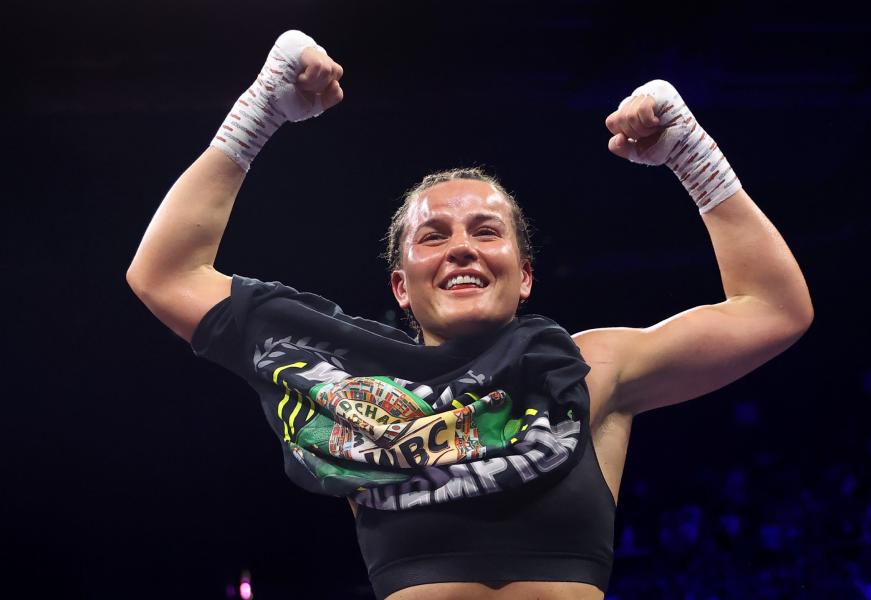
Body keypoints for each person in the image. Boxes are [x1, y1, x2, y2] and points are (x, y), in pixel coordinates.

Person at [126, 30, 813, 600]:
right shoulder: (344, 376)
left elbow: (774, 311)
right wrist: (260, 110)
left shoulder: (588, 367)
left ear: (525, 277)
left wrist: (691, 156)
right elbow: (164, 273)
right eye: (434, 236)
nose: (461, 247)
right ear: (401, 284)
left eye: (486, 231)